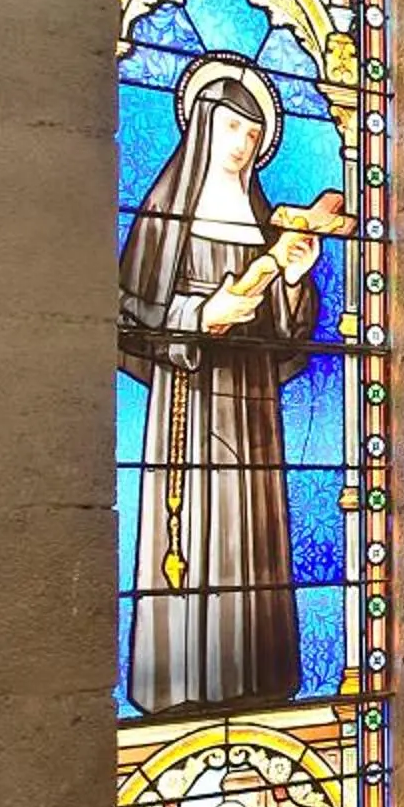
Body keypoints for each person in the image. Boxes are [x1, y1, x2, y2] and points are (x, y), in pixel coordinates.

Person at [119, 57, 326, 716]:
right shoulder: (162, 214)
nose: (242, 144)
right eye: (234, 127)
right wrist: (197, 317)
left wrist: (292, 275)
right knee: (196, 534)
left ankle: (256, 676)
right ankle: (181, 685)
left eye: (252, 133)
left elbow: (292, 334)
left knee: (251, 534)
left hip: (251, 406)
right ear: (204, 129)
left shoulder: (260, 217)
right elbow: (130, 313)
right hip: (190, 396)